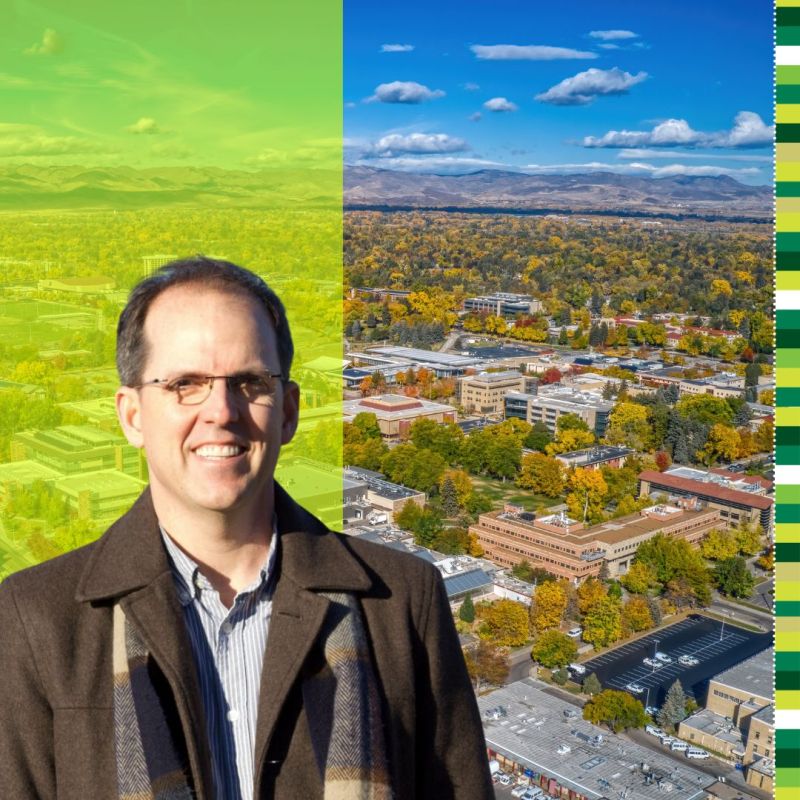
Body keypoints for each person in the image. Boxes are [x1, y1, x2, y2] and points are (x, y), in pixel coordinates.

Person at [0, 257, 493, 799]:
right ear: (132, 415)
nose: (221, 411)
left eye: (249, 382)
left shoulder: (401, 602)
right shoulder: (35, 619)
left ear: (288, 411)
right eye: (185, 383)